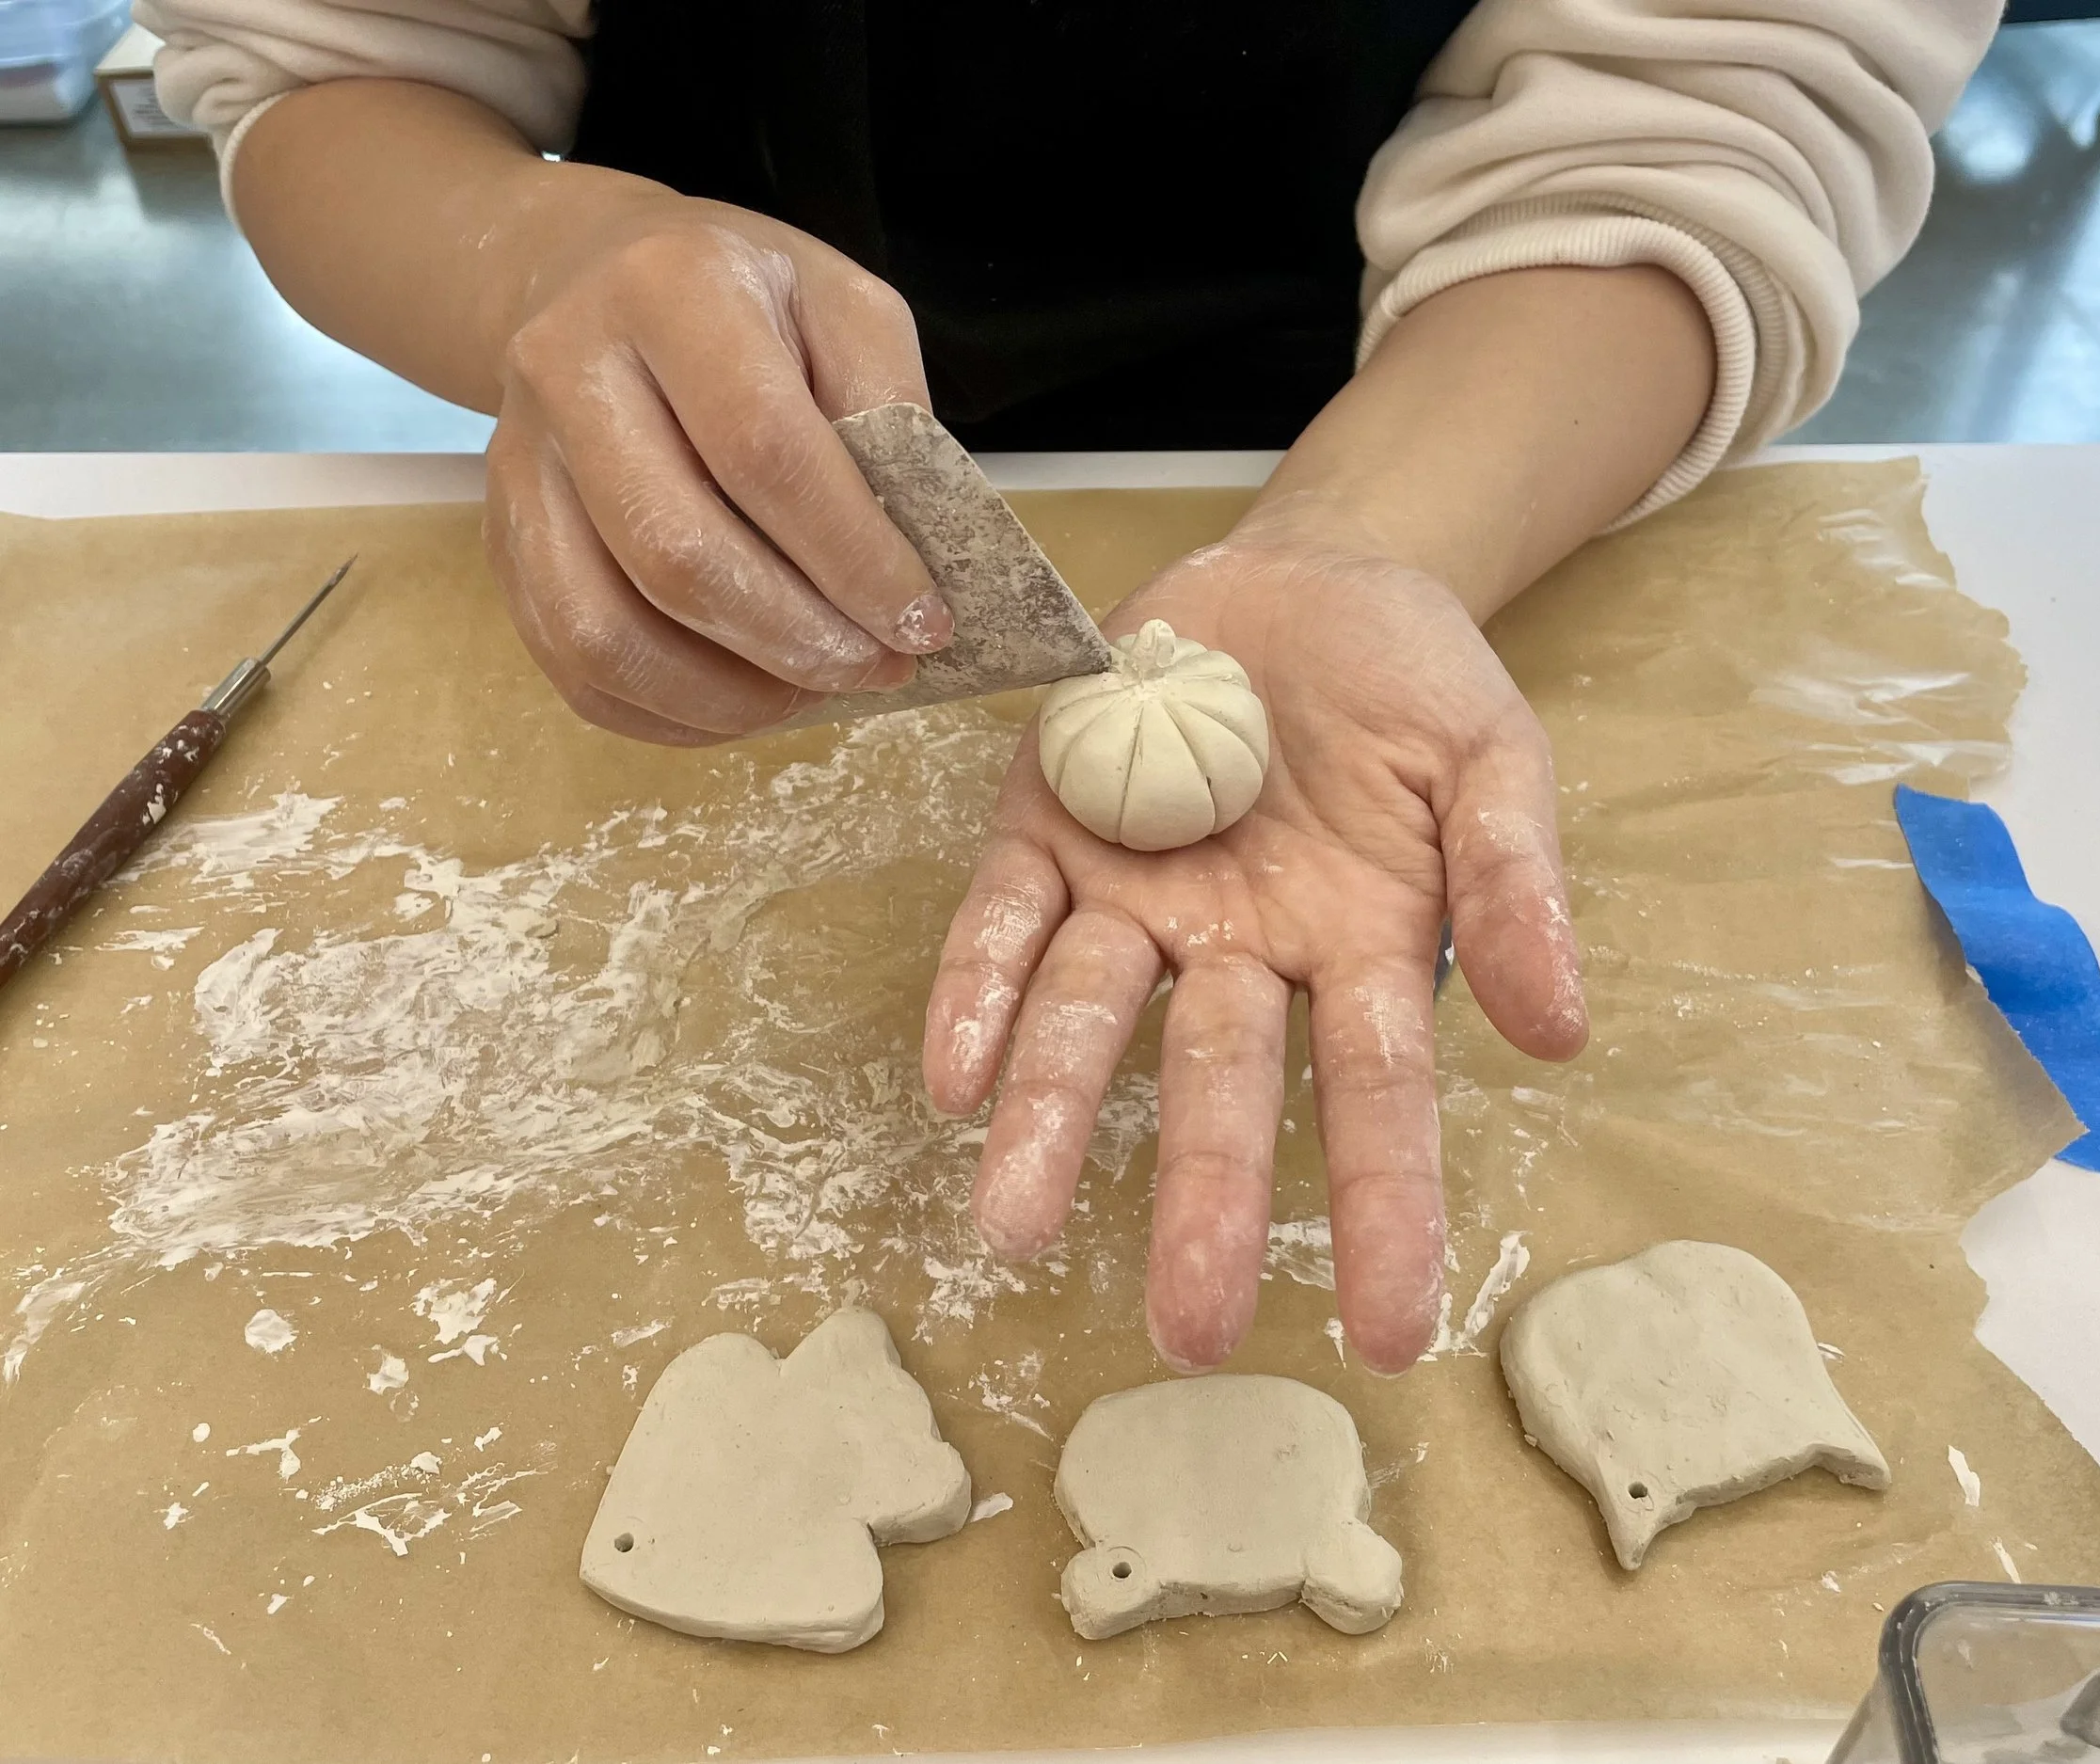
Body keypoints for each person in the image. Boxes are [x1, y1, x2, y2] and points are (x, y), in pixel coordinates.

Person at [140, 0, 1998, 1375]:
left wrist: (1365, 542)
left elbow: (1706, 109)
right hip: (712, 415)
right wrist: (542, 254)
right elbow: (330, 62)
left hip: (1446, 412)